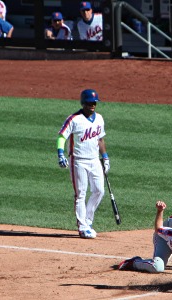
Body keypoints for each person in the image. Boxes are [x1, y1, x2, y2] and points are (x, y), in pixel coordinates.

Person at [57, 89, 110, 239]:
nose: (92, 105)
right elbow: (62, 137)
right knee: (80, 193)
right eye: (89, 102)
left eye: (94, 102)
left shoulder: (99, 118)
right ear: (83, 103)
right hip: (78, 161)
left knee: (99, 191)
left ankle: (88, 221)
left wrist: (105, 157)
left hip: (94, 160)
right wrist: (60, 153)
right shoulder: (74, 119)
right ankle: (82, 227)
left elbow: (100, 139)